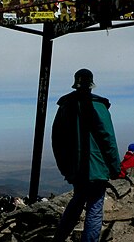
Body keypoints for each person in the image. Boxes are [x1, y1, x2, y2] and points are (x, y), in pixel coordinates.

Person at [50, 69, 120, 242]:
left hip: (76, 168)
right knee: (95, 208)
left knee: (76, 202)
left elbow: (57, 139)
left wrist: (64, 166)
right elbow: (108, 138)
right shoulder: (99, 106)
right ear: (91, 85)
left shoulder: (65, 107)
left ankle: (59, 238)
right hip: (97, 168)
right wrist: (115, 167)